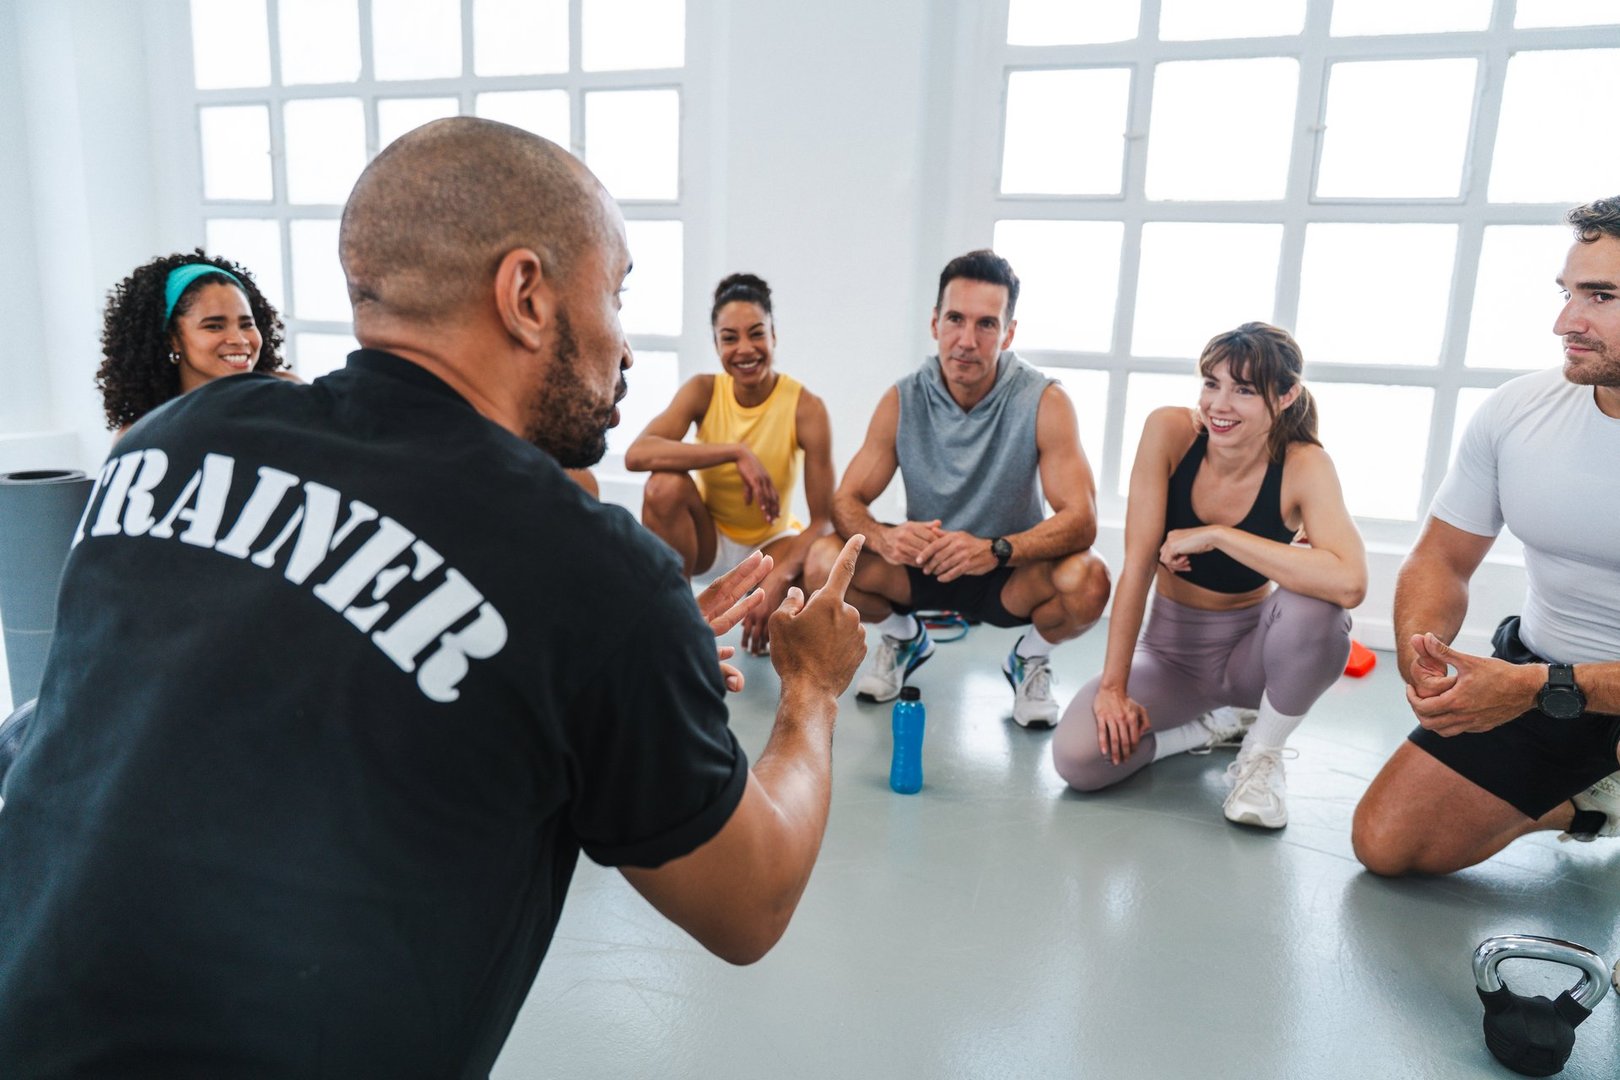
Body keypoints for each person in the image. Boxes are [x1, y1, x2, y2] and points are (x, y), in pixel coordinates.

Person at [0, 117, 869, 1076]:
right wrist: (813, 689)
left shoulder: (169, 442)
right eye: (616, 293)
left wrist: (612, 674)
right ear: (528, 295)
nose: (625, 345)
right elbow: (752, 902)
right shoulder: (588, 569)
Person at [1352, 197, 1620, 875]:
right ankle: (1594, 803)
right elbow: (1442, 556)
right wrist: (1425, 655)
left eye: (1600, 296)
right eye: (1567, 293)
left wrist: (1540, 688)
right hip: (1541, 675)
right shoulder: (1517, 410)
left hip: (1550, 686)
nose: (1566, 321)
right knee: (1387, 843)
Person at [1050, 324, 1366, 828]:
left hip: (1252, 658)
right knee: (1079, 760)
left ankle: (1262, 753)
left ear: (1286, 396)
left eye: (1243, 390)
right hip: (1172, 655)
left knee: (1319, 608)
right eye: (1211, 383)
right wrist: (1114, 687)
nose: (1220, 404)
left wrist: (1218, 535)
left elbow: (1350, 582)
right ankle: (1205, 730)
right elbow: (1136, 567)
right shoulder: (1169, 433)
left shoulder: (1305, 464)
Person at [802, 249, 1110, 727]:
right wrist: (885, 538)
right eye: (956, 319)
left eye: (986, 324)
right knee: (824, 561)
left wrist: (996, 549)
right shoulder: (902, 398)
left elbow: (1082, 520)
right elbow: (846, 501)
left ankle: (1029, 659)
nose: (967, 340)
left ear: (1008, 333)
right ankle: (904, 638)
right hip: (923, 563)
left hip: (1008, 571)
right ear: (935, 323)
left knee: (1089, 579)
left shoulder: (1045, 400)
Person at [626, 273, 835, 655]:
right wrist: (736, 452)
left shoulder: (806, 407)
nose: (745, 349)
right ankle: (676, 619)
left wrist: (779, 577)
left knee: (822, 557)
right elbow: (637, 454)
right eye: (730, 337)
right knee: (663, 485)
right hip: (709, 542)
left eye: (756, 333)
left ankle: (775, 623)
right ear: (716, 343)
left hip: (772, 543)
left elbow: (822, 519)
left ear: (775, 334)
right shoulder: (703, 391)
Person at [94, 249, 289, 435]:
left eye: (246, 324)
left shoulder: (287, 400)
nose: (239, 339)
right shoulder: (139, 434)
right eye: (214, 326)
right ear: (173, 339)